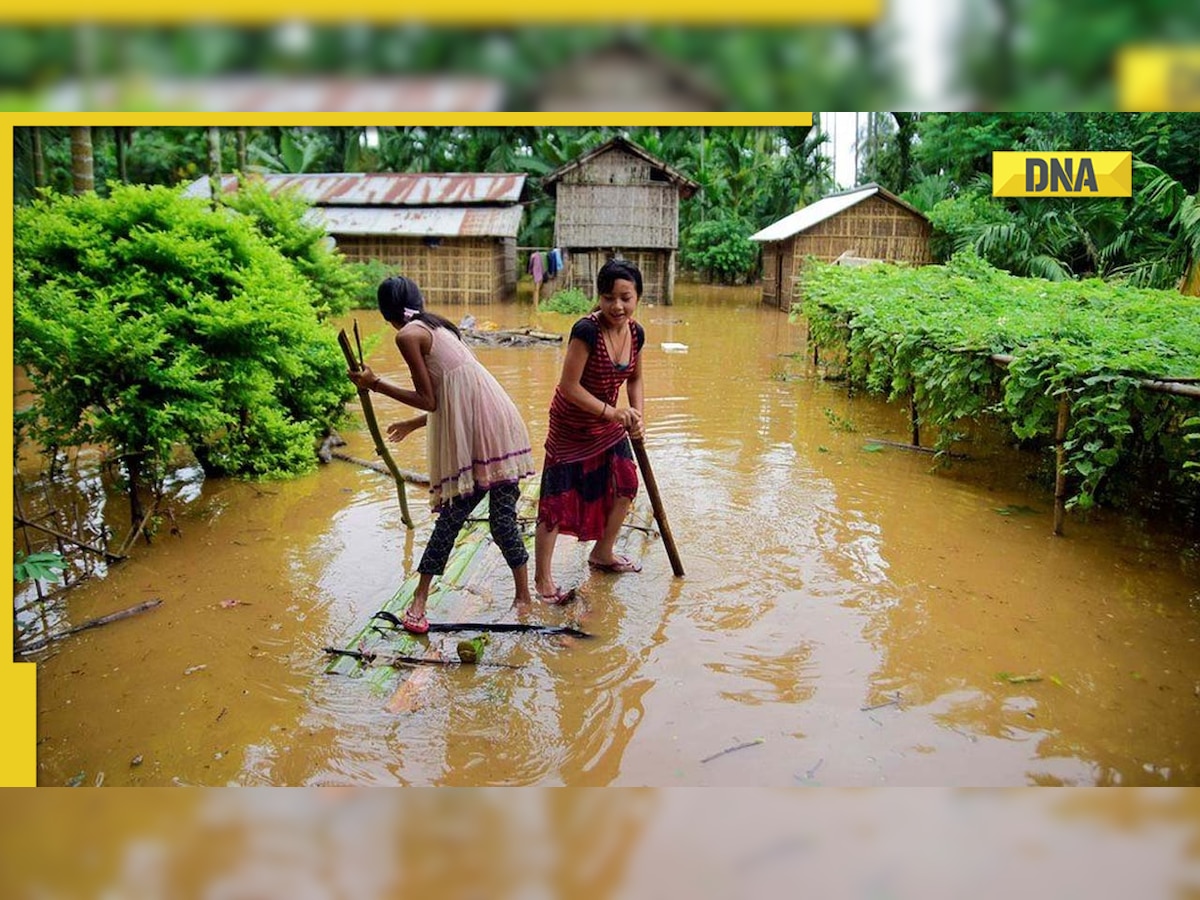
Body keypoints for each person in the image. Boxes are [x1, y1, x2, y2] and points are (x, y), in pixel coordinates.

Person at [348, 276, 536, 633]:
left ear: (386, 313)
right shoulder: (438, 327)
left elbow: (432, 399)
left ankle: (419, 603)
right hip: (500, 424)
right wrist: (414, 424)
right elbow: (454, 395)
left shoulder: (408, 336)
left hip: (481, 435)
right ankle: (523, 597)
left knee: (453, 519)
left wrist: (375, 384)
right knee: (499, 521)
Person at [534, 258, 646, 603]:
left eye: (626, 297)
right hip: (571, 425)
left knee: (627, 483)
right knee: (556, 500)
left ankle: (603, 553)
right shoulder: (586, 331)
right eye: (610, 297)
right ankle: (542, 580)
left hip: (609, 424)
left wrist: (637, 416)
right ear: (599, 297)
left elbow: (636, 378)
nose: (618, 306)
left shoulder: (637, 332)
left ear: (637, 296)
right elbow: (569, 386)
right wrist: (614, 413)